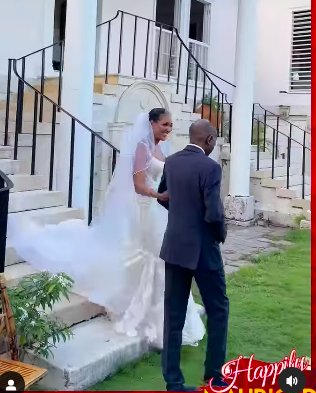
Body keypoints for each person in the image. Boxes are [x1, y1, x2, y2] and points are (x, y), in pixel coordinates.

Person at [7, 109, 205, 349]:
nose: (168, 128)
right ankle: (149, 313)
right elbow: (139, 185)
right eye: (164, 124)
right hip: (142, 208)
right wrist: (159, 194)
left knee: (161, 259)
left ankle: (170, 313)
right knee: (151, 258)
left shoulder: (159, 147)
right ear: (151, 123)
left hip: (155, 209)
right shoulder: (141, 147)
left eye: (171, 125)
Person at [157, 119, 229, 391]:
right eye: (215, 141)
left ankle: (173, 383)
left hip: (174, 247)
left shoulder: (172, 161)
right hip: (203, 250)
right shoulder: (210, 167)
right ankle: (214, 378)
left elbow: (162, 196)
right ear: (209, 140)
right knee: (218, 310)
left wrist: (181, 218)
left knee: (173, 316)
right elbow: (213, 213)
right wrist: (220, 234)